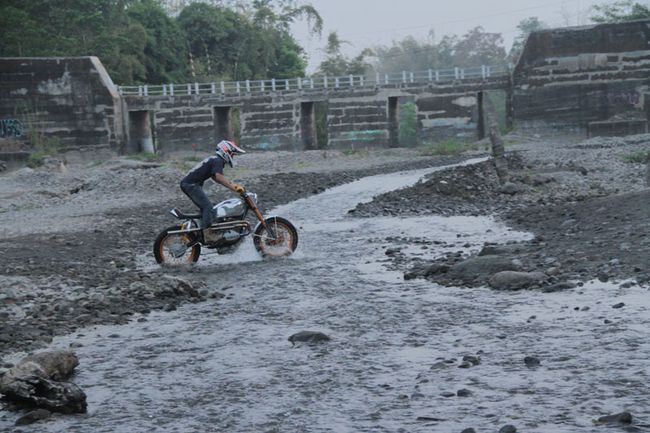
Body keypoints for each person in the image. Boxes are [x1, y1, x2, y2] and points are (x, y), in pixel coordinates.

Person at [180, 140, 246, 238]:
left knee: (209, 208)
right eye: (232, 155)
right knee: (208, 207)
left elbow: (215, 177)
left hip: (190, 184)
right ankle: (207, 233)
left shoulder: (215, 159)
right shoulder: (218, 160)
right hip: (191, 185)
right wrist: (234, 188)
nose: (232, 157)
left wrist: (233, 185)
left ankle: (201, 227)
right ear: (226, 152)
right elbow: (219, 177)